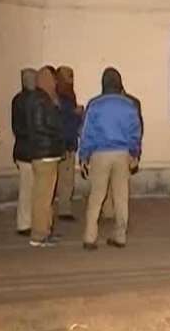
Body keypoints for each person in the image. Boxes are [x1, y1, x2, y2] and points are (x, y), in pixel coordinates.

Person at [79, 68, 142, 251]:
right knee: (121, 197)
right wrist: (134, 152)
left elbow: (87, 132)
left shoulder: (95, 105)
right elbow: (135, 132)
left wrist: (84, 155)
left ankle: (90, 237)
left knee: (97, 196)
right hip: (122, 153)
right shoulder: (129, 105)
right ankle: (120, 236)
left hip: (100, 154)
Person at [25, 66, 65, 247]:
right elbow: (42, 125)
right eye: (52, 79)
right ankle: (39, 235)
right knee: (42, 197)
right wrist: (58, 129)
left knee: (46, 196)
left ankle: (46, 231)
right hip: (45, 153)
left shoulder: (41, 98)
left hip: (46, 152)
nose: (55, 83)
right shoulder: (40, 100)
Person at [100, 86, 143, 220]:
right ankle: (120, 222)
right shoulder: (132, 104)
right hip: (124, 151)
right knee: (121, 188)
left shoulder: (100, 103)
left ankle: (108, 211)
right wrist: (135, 152)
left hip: (104, 150)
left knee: (105, 185)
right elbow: (137, 129)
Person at [55, 66, 84, 221]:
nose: (71, 79)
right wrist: (75, 114)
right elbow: (62, 121)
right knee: (65, 179)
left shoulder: (64, 96)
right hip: (65, 142)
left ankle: (63, 207)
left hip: (66, 142)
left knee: (65, 178)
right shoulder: (61, 98)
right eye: (69, 76)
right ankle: (64, 210)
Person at [11, 68, 37, 236]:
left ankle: (26, 222)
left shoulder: (17, 100)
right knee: (29, 189)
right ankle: (25, 224)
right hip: (31, 150)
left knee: (27, 188)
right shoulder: (33, 100)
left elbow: (16, 127)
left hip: (21, 149)